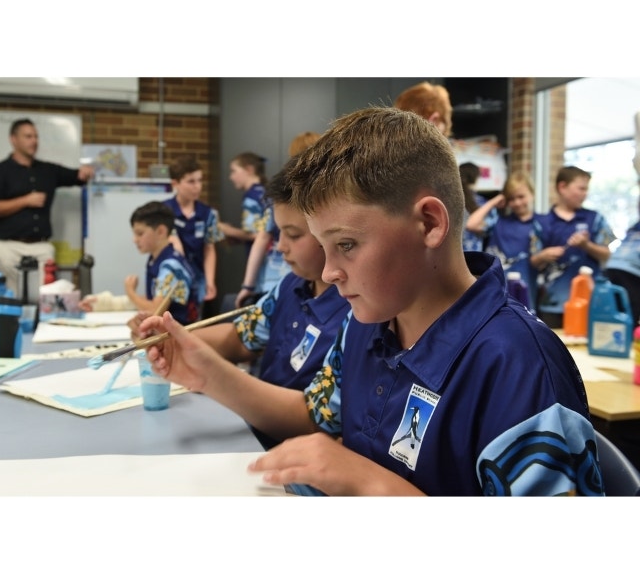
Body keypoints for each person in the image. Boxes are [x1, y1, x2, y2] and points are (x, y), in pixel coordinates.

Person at [138, 106, 603, 496]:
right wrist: (207, 372)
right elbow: (318, 414)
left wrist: (368, 484)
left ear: (429, 223)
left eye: (346, 244)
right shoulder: (364, 323)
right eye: (323, 247)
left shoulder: (518, 366)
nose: (328, 272)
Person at [130, 158, 350, 449]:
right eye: (278, 233)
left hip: (292, 451)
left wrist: (212, 377)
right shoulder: (291, 285)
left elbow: (314, 419)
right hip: (254, 435)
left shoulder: (355, 310)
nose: (280, 246)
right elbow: (240, 336)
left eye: (293, 235)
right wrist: (175, 340)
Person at [0, 118, 95, 294]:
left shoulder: (47, 170)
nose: (34, 141)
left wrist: (84, 172)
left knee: (43, 295)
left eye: (36, 136)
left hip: (41, 247)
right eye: (28, 136)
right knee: (14, 295)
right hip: (9, 248)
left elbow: (75, 176)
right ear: (13, 139)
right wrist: (25, 201)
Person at [233, 133, 321, 308]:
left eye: (293, 235)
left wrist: (248, 285)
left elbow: (260, 238)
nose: (281, 246)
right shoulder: (278, 199)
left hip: (279, 278)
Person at [79, 201, 198, 324]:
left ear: (161, 231)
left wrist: (130, 292)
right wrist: (104, 304)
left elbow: (155, 310)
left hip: (179, 332)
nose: (134, 240)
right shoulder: (156, 260)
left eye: (140, 234)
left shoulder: (171, 266)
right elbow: (153, 300)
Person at [531, 165, 616, 328]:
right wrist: (544, 255)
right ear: (562, 187)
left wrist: (587, 245)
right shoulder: (542, 222)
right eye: (581, 188)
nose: (585, 193)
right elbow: (533, 261)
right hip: (553, 304)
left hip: (590, 303)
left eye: (587, 189)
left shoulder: (595, 218)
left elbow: (607, 255)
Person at [466, 170, 543, 311]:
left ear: (532, 194)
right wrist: (495, 200)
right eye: (511, 199)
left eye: (521, 197)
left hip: (524, 295)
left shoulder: (539, 224)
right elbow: (471, 224)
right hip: (494, 294)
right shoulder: (498, 221)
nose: (517, 202)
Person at [164, 155, 223, 316]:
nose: (197, 186)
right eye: (191, 181)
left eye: (200, 180)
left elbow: (209, 248)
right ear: (175, 183)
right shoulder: (163, 211)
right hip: (170, 281)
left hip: (198, 282)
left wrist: (210, 280)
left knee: (195, 324)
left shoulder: (209, 213)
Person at [216, 152, 267, 255]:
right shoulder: (264, 191)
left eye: (233, 171)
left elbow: (255, 235)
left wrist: (224, 229)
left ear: (249, 170)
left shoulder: (252, 197)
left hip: (262, 258)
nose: (231, 177)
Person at [604, 218, 640, 325]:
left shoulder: (635, 225)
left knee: (618, 304)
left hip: (612, 264)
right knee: (632, 306)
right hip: (631, 268)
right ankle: (628, 331)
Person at [458, 161, 498, 252]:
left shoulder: (450, 200)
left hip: (451, 255)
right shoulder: (484, 203)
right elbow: (487, 227)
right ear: (476, 178)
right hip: (473, 255)